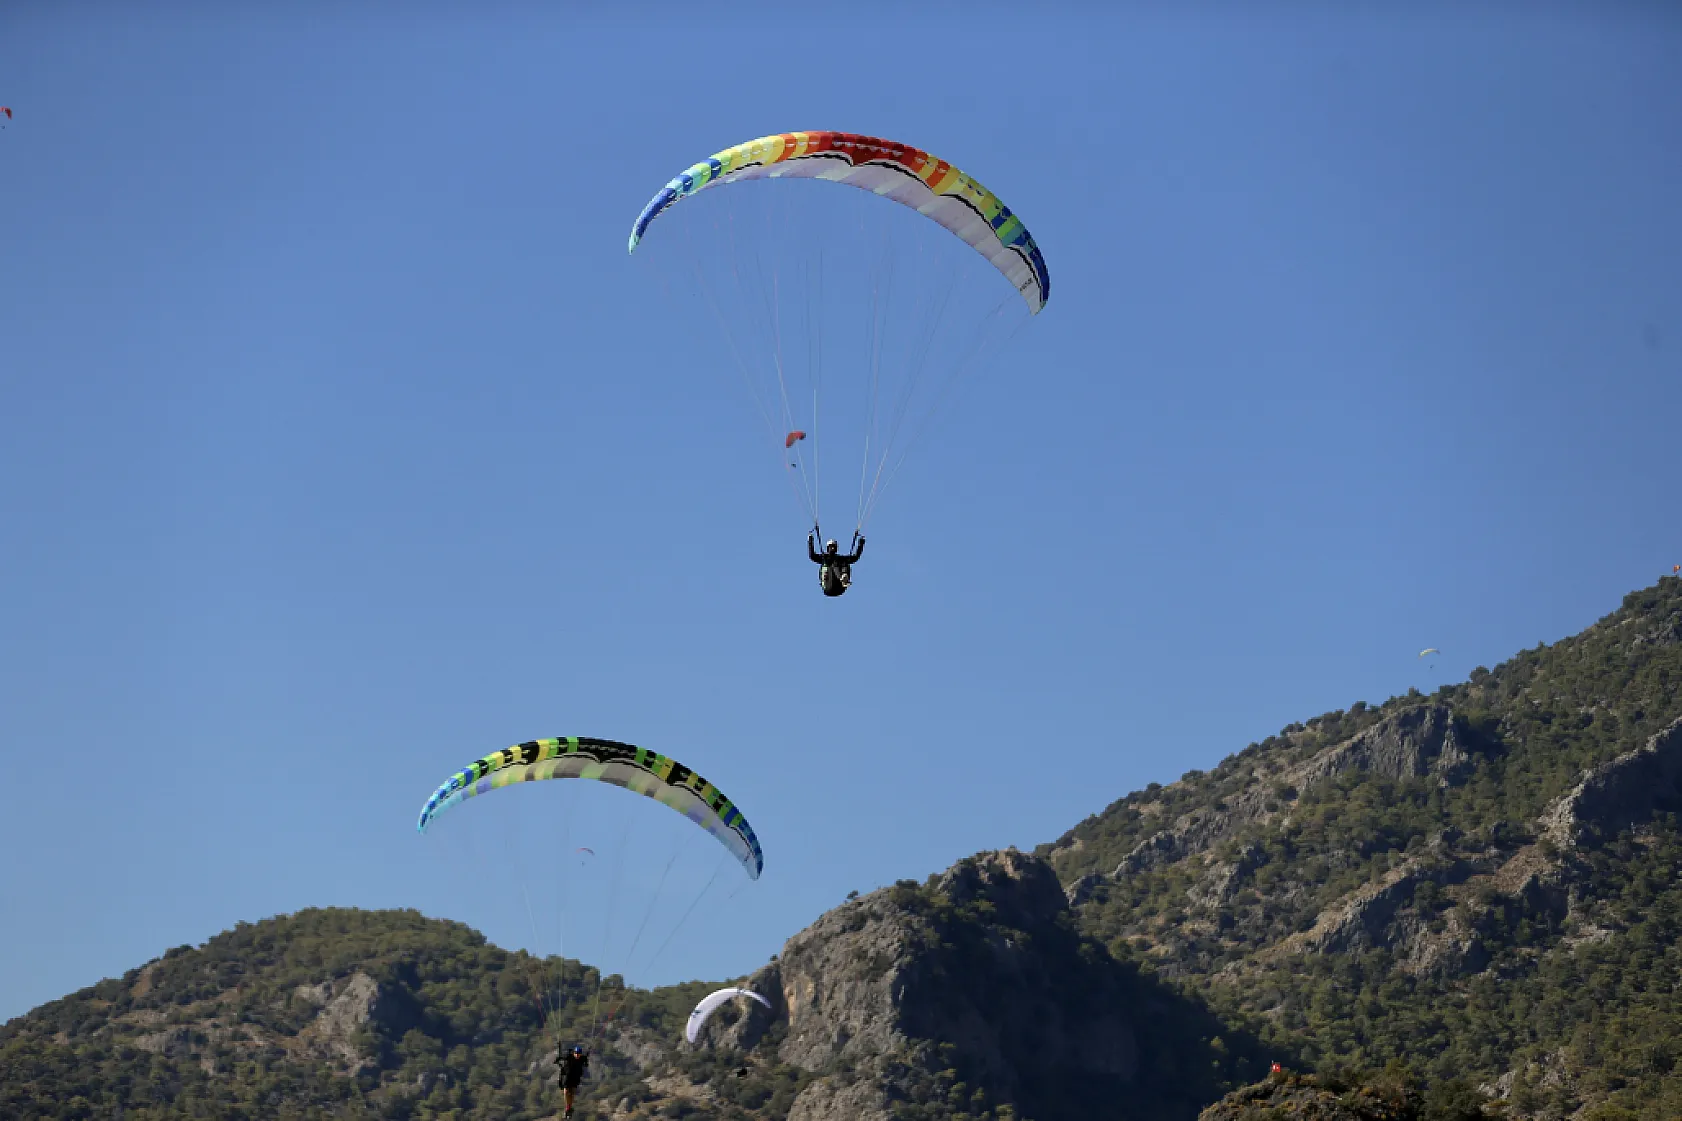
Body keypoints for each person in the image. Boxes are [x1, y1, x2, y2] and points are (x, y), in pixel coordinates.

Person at [808, 530, 865, 597]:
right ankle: (841, 578)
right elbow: (812, 556)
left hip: (839, 588)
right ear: (828, 548)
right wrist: (810, 540)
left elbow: (855, 557)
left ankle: (844, 579)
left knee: (845, 563)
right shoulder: (823, 558)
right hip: (828, 587)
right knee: (830, 564)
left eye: (834, 547)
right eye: (831, 547)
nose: (832, 548)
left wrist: (861, 543)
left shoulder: (841, 559)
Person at [558, 1044, 589, 1118]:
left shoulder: (582, 1058)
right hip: (567, 1077)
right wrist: (559, 1048)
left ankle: (569, 1108)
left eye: (578, 1054)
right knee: (566, 1091)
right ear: (574, 1053)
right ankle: (568, 1107)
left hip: (575, 1077)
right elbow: (561, 1056)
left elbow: (586, 1063)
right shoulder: (569, 1056)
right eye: (576, 1053)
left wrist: (586, 1062)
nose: (577, 1055)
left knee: (572, 1092)